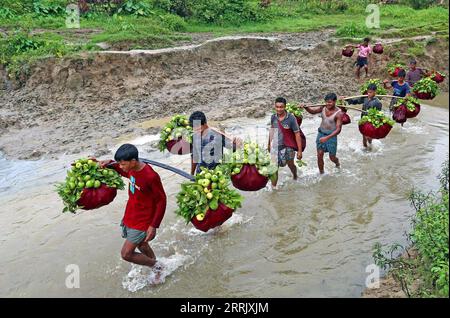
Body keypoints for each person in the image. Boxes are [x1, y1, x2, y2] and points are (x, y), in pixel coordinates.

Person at [99, 144, 167, 269]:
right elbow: (122, 171)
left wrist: (153, 225)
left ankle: (158, 267)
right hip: (131, 214)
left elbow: (161, 201)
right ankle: (157, 268)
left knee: (126, 254)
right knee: (142, 245)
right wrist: (110, 164)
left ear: (134, 161)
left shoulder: (151, 176)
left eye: (123, 164)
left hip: (143, 220)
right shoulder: (130, 169)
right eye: (119, 163)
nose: (120, 166)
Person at [300, 93, 343, 174]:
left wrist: (327, 138)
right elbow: (313, 112)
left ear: (335, 101)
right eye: (326, 102)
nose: (328, 104)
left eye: (330, 102)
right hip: (321, 134)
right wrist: (306, 107)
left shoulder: (339, 113)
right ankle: (321, 173)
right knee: (319, 155)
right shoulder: (323, 107)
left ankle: (337, 163)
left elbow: (338, 130)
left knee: (332, 157)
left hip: (331, 137)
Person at [189, 111, 241, 175]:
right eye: (194, 129)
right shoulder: (195, 136)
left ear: (205, 124)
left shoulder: (217, 135)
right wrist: (191, 174)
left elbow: (233, 148)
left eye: (199, 129)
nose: (197, 132)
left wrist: (237, 143)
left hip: (216, 175)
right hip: (200, 174)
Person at [268, 97, 304, 187]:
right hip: (276, 145)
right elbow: (272, 130)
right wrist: (269, 143)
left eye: (281, 107)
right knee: (274, 168)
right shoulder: (273, 117)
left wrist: (299, 150)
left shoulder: (291, 118)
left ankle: (295, 176)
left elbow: (297, 134)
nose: (279, 109)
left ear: (285, 107)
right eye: (277, 107)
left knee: (290, 164)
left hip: (289, 146)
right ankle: (274, 187)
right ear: (275, 106)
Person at [341, 83, 383, 148]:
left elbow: (378, 115)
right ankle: (365, 148)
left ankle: (370, 146)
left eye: (371, 92)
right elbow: (356, 101)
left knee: (368, 137)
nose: (369, 94)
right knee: (364, 136)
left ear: (375, 92)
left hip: (370, 122)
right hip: (363, 120)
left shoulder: (377, 103)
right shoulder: (365, 98)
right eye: (368, 92)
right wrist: (347, 99)